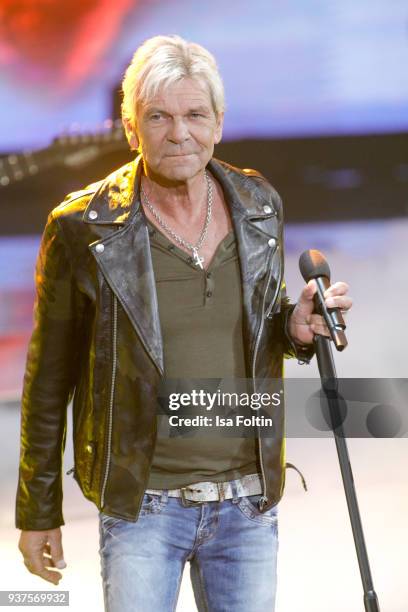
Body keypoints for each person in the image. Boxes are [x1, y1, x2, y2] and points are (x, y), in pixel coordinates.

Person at [16, 35, 352, 611]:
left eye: (196, 115)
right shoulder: (83, 228)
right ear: (130, 127)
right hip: (143, 508)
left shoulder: (258, 204)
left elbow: (254, 323)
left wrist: (293, 328)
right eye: (159, 116)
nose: (180, 133)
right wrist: (38, 512)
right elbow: (49, 382)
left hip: (247, 502)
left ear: (219, 122)